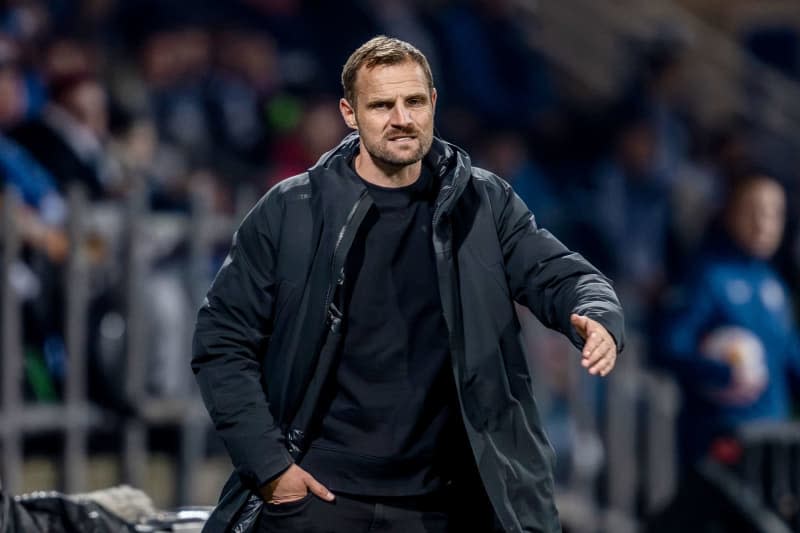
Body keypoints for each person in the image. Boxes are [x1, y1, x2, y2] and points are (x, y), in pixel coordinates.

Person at [192, 36, 624, 533]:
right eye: (382, 105)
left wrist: (596, 312)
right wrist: (271, 471)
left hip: (447, 504)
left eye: (414, 101)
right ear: (349, 114)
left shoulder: (483, 203)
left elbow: (560, 273)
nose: (402, 118)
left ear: (433, 103)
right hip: (320, 499)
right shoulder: (290, 210)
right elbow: (222, 343)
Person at [658, 171, 800, 465]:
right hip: (720, 439)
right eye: (754, 210)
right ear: (731, 212)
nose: (764, 223)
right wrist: (723, 372)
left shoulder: (775, 285)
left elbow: (789, 356)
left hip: (773, 435)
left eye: (775, 213)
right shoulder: (707, 276)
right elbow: (671, 345)